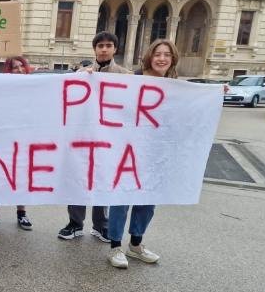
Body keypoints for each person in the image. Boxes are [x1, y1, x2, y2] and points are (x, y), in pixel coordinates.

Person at [108, 39, 178, 269]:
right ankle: (115, 247)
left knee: (147, 202)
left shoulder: (175, 85)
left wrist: (218, 92)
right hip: (128, 151)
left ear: (173, 59)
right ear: (150, 56)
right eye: (158, 54)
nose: (162, 58)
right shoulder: (133, 79)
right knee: (122, 198)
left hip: (155, 154)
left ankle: (136, 245)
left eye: (167, 54)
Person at [58, 31, 129, 243]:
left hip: (110, 141)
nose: (104, 49)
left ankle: (101, 225)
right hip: (81, 139)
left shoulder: (126, 76)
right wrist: (81, 77)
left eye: (109, 45)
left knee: (103, 182)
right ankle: (75, 223)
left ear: (115, 49)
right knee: (78, 180)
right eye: (100, 46)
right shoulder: (81, 74)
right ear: (95, 49)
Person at [0, 56, 35, 232]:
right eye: (15, 67)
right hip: (3, 138)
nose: (20, 70)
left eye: (22, 66)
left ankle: (21, 213)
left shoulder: (34, 87)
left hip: (24, 139)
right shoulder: (2, 88)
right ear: (8, 70)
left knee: (22, 177)